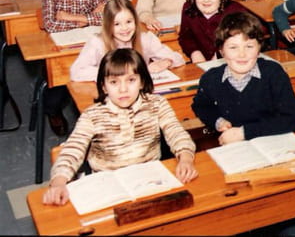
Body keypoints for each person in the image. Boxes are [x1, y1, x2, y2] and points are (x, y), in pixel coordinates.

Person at [42, 48, 197, 206]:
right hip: (108, 187)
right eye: (114, 82)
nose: (123, 89)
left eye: (131, 80)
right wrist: (58, 183)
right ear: (103, 87)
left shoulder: (157, 104)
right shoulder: (92, 116)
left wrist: (185, 158)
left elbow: (176, 133)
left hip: (150, 181)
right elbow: (73, 150)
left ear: (142, 82)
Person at [191, 12, 295, 145]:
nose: (242, 54)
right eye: (233, 47)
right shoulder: (211, 78)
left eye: (249, 46)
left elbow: (292, 119)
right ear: (221, 51)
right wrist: (218, 121)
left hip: (273, 144)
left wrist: (244, 132)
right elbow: (201, 106)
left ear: (259, 48)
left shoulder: (273, 73)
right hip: (233, 147)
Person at [42, 0, 109, 135]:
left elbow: (108, 17)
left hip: (91, 44)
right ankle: (53, 111)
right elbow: (50, 24)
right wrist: (89, 19)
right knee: (59, 83)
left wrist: (73, 18)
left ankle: (101, 113)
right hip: (62, 48)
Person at [70, 0, 186, 82]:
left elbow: (179, 58)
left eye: (129, 22)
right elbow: (76, 72)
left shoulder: (146, 39)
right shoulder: (97, 42)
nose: (124, 28)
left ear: (135, 20)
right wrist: (124, 72)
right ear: (108, 25)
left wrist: (167, 61)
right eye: (117, 24)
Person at [179, 0, 251, 63]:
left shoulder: (235, 11)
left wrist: (219, 55)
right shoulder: (188, 8)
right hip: (203, 63)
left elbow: (249, 40)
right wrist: (195, 52)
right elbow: (186, 37)